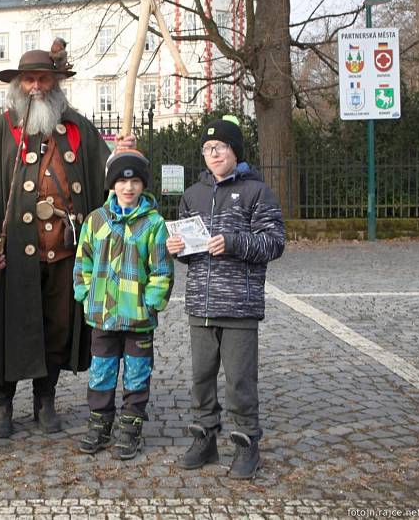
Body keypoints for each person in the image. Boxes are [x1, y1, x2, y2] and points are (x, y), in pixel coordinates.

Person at [0, 48, 134, 438]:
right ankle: (2, 402)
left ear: (56, 83)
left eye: (44, 79)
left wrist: (123, 155)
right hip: (12, 254)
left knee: (56, 328)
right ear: (17, 84)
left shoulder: (76, 127)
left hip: (64, 252)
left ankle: (46, 398)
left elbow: (108, 175)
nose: (37, 87)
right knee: (8, 327)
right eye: (30, 80)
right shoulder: (1, 130)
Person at [166, 116, 285, 480]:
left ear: (235, 150)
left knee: (239, 380)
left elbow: (274, 242)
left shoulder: (257, 192)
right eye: (207, 149)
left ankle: (248, 444)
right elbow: (189, 252)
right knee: (201, 377)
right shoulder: (192, 195)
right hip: (200, 304)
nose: (212, 154)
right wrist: (178, 249)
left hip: (239, 306)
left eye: (219, 147)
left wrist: (233, 243)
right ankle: (205, 438)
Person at [73, 150, 174, 460]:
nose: (128, 188)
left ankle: (130, 425)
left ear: (143, 185)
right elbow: (83, 261)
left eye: (134, 182)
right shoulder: (96, 220)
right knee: (101, 371)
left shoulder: (153, 224)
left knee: (136, 372)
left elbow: (161, 269)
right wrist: (86, 292)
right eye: (121, 181)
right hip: (103, 314)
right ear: (112, 185)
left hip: (138, 316)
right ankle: (100, 422)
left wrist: (151, 302)